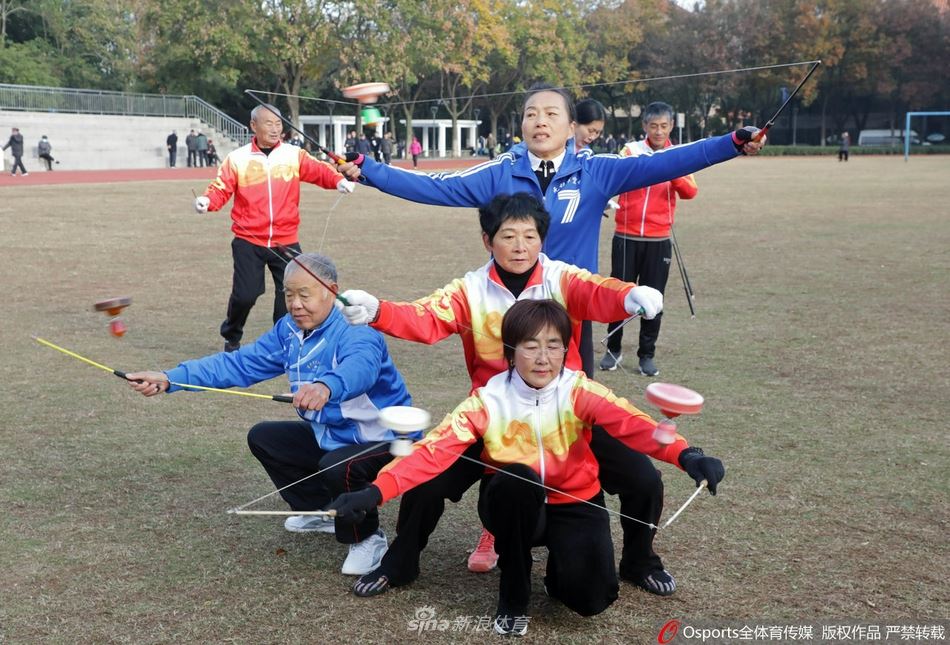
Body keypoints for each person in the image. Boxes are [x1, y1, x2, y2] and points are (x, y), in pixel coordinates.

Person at [337, 193, 683, 594]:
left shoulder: (562, 279)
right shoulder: (468, 290)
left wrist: (629, 295)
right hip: (494, 414)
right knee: (425, 479)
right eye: (508, 236)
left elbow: (599, 292)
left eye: (530, 236)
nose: (520, 247)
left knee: (644, 479)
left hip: (566, 413)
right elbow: (425, 317)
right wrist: (378, 310)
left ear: (542, 240)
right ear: (488, 240)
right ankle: (400, 563)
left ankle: (640, 560)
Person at [329, 299, 725, 636]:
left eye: (554, 345)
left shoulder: (580, 391)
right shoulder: (487, 400)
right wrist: (375, 491)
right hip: (512, 503)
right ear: (510, 351)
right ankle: (513, 592)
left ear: (565, 350)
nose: (542, 357)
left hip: (576, 503)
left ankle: (562, 568)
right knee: (518, 479)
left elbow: (636, 425)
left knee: (589, 599)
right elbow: (432, 451)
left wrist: (688, 455)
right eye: (530, 345)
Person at [338, 83, 765, 377]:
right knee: (511, 403)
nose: (540, 122)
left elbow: (666, 162)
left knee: (576, 404)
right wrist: (369, 170)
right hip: (510, 310)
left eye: (551, 114)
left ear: (569, 126)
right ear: (521, 126)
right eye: (531, 115)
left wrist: (731, 143)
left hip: (572, 310)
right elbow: (432, 186)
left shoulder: (598, 171)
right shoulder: (498, 172)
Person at [126, 253, 417, 576]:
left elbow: (359, 367)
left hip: (387, 438)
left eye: (304, 294)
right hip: (333, 435)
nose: (295, 304)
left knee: (336, 465)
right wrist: (170, 378)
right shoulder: (288, 331)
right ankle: (320, 510)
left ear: (331, 291)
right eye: (288, 294)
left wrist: (326, 386)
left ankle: (367, 539)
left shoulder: (356, 329)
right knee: (265, 438)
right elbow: (237, 364)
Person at [194, 103, 355, 352]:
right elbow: (220, 187)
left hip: (286, 240)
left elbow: (319, 171)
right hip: (248, 239)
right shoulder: (237, 159)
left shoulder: (294, 155)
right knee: (245, 295)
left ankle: (283, 340)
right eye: (268, 123)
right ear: (253, 126)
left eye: (279, 123)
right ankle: (232, 335)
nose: (275, 128)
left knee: (291, 295)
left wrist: (338, 181)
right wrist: (207, 201)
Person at [601, 102, 699, 377]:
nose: (658, 131)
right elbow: (613, 177)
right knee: (618, 294)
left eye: (663, 126)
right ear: (645, 126)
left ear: (671, 126)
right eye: (653, 126)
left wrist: (671, 170)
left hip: (658, 240)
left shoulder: (678, 154)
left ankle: (647, 355)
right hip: (625, 237)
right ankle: (613, 349)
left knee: (654, 300)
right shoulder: (631, 151)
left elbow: (691, 191)